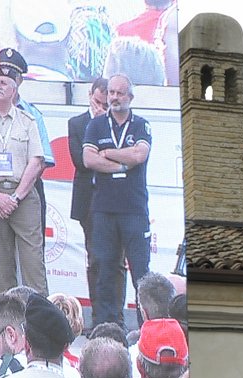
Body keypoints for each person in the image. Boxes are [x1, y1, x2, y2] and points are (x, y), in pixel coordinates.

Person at [0, 55, 48, 295]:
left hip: (21, 195)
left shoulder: (28, 120)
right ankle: (7, 318)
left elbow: (36, 162)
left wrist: (14, 198)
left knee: (33, 262)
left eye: (4, 83)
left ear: (14, 89)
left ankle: (38, 318)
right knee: (1, 264)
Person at [82, 73, 151, 327]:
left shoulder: (140, 124)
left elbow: (139, 155)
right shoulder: (96, 125)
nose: (114, 97)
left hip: (134, 209)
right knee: (105, 269)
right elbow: (89, 160)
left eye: (120, 93)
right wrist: (122, 165)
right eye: (111, 92)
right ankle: (107, 326)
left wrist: (109, 153)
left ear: (130, 97)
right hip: (104, 210)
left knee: (140, 271)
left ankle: (148, 326)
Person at [67, 77, 107, 301]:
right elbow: (81, 161)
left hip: (112, 197)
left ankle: (114, 313)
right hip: (88, 199)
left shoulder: (116, 124)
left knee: (113, 259)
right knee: (94, 257)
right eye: (97, 102)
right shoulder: (77, 123)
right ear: (89, 96)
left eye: (105, 105)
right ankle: (97, 312)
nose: (100, 108)